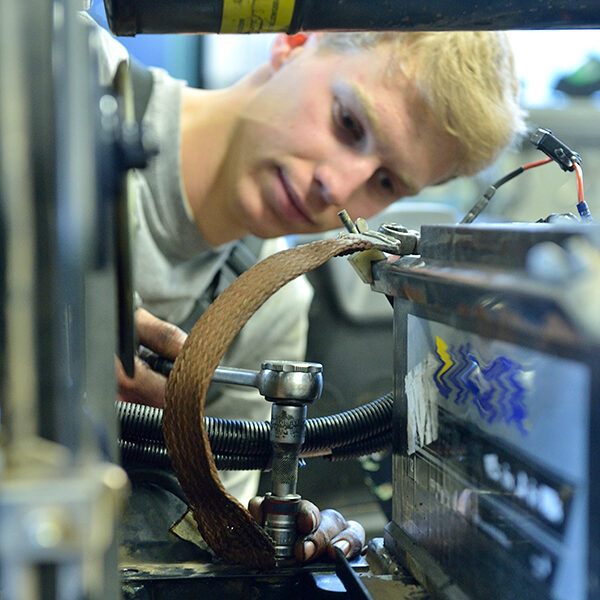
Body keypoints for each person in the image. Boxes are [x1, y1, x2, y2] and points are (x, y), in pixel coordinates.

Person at [90, 11, 526, 563]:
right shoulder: (61, 75)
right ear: (293, 43)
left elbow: (206, 522)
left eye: (386, 182)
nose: (338, 185)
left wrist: (275, 532)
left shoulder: (270, 301)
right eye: (348, 123)